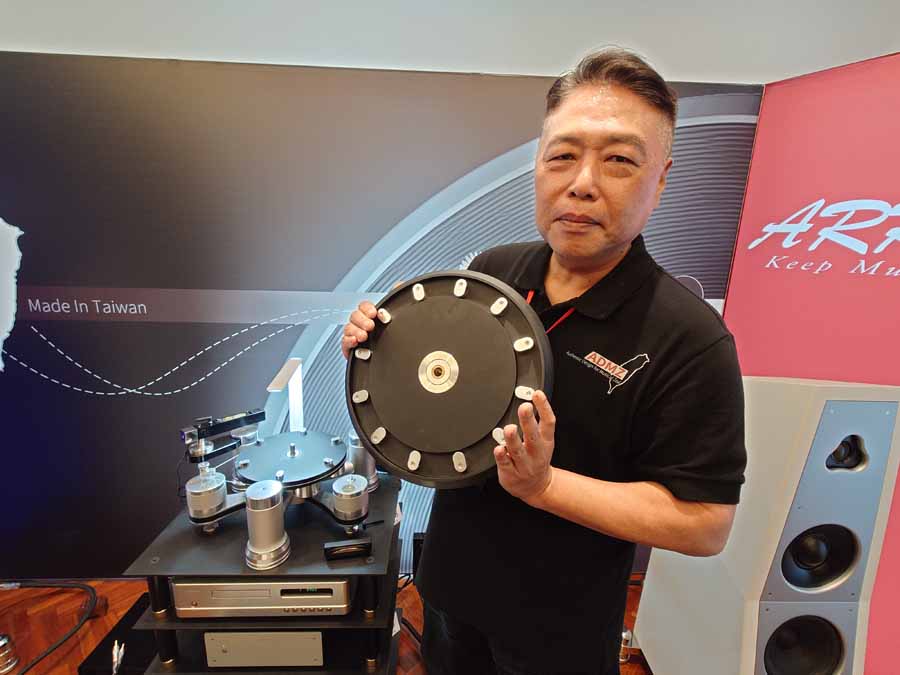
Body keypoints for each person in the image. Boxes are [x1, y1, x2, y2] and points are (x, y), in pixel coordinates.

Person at [341, 47, 747, 675]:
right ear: (538, 163)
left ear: (661, 178)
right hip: (450, 590)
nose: (582, 182)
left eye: (618, 160)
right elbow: (441, 414)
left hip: (560, 629)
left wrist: (545, 487)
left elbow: (704, 524)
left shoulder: (690, 338)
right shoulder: (492, 274)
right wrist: (385, 352)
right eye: (562, 155)